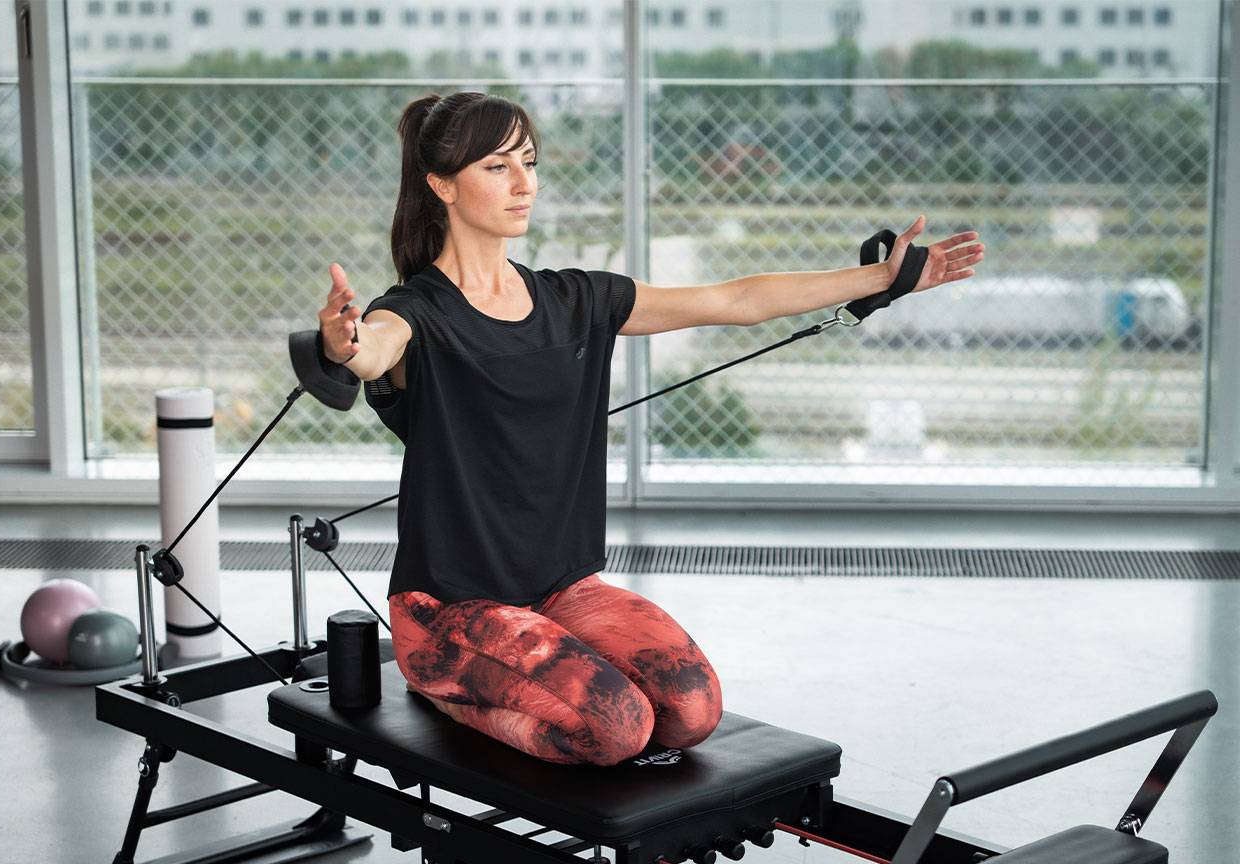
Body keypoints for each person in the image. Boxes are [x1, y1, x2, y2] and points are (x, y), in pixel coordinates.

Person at [316, 92, 984, 766]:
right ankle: (444, 687)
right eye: (497, 167)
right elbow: (375, 348)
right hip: (449, 609)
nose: (525, 184)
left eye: (530, 162)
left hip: (561, 593)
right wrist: (346, 344)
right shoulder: (415, 312)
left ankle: (527, 672)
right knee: (618, 727)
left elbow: (737, 299)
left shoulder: (575, 299)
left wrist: (883, 276)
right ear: (442, 185)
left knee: (692, 713)